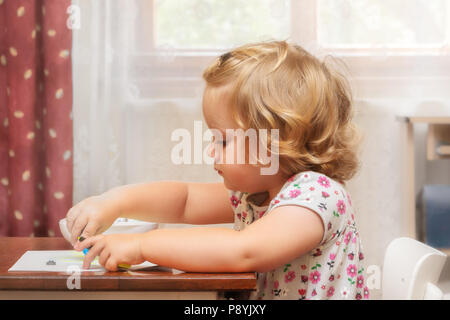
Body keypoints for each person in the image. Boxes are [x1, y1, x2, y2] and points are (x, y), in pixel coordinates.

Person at [68, 40, 369, 300]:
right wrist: (113, 201)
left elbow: (243, 251)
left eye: (223, 140)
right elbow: (184, 201)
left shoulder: (316, 196)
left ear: (275, 142)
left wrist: (141, 245)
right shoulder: (259, 193)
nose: (211, 150)